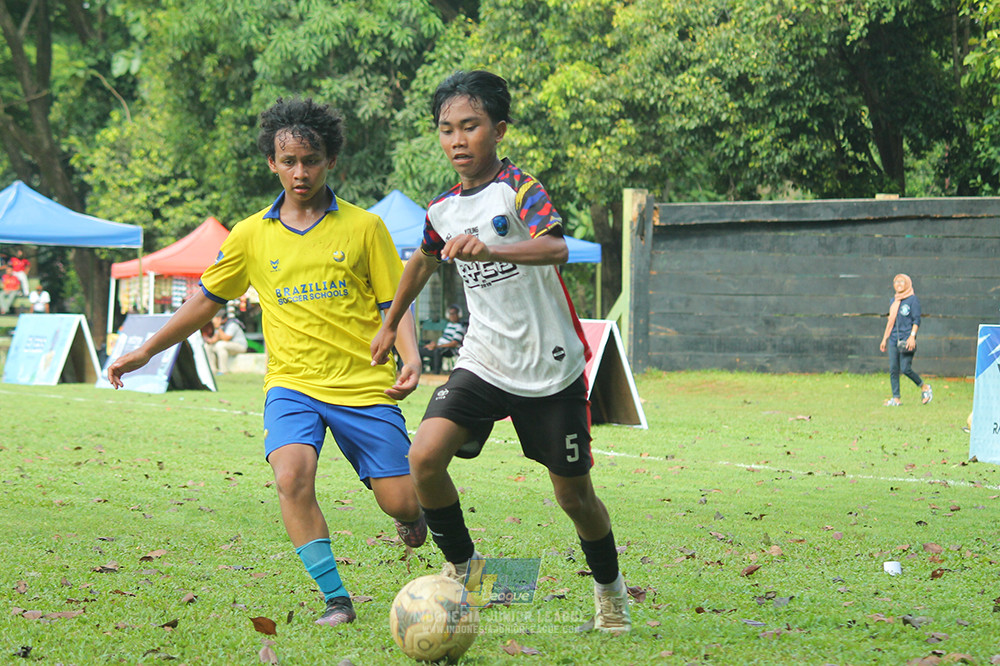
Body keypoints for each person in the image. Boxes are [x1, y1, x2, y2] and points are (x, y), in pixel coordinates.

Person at [108, 97, 426, 628]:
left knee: (400, 501)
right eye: (289, 161)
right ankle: (337, 600)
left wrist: (410, 356)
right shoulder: (251, 233)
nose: (300, 172)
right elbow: (206, 299)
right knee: (291, 477)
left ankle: (414, 516)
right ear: (272, 164)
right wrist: (146, 349)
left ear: (331, 161)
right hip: (291, 385)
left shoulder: (366, 227)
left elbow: (394, 304)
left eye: (312, 159)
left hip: (362, 385)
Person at [371, 70, 631, 632]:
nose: (458, 140)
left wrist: (494, 246)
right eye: (446, 129)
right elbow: (422, 260)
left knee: (575, 499)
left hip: (549, 366)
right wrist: (391, 324)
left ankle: (611, 594)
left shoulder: (519, 191)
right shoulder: (441, 208)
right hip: (483, 359)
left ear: (499, 130)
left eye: (471, 126)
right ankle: (467, 568)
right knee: (423, 459)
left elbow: (557, 246)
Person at [879, 273, 932, 406]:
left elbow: (916, 320)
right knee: (893, 368)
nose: (899, 284)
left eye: (902, 282)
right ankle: (896, 398)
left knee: (905, 368)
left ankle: (924, 387)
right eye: (896, 282)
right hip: (893, 339)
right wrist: (885, 339)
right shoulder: (894, 301)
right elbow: (891, 322)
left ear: (907, 283)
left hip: (907, 339)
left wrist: (912, 337)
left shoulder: (913, 300)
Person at [420, 304, 466, 374]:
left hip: (450, 350)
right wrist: (433, 345)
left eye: (454, 313)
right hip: (440, 346)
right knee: (421, 350)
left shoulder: (460, 327)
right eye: (450, 314)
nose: (452, 316)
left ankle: (436, 373)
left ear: (459, 315)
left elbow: (454, 343)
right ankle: (421, 371)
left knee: (437, 351)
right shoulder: (449, 325)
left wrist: (437, 346)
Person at [204, 309, 248, 374]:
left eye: (217, 318)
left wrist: (218, 327)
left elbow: (226, 338)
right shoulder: (220, 326)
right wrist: (209, 340)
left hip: (240, 346)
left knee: (220, 345)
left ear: (222, 318)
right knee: (207, 346)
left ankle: (223, 371)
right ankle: (212, 370)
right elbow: (215, 339)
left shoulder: (232, 324)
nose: (214, 320)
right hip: (227, 346)